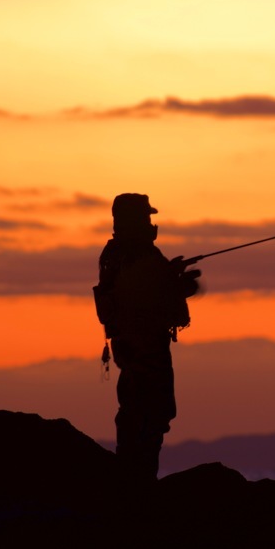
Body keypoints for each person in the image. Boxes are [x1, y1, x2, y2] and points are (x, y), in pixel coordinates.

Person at [93, 193, 201, 479]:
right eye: (146, 217)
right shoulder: (136, 256)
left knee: (139, 410)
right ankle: (138, 481)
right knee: (150, 413)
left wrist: (170, 276)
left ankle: (134, 476)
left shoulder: (117, 255)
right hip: (145, 347)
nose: (150, 223)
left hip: (133, 345)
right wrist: (179, 284)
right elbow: (147, 296)